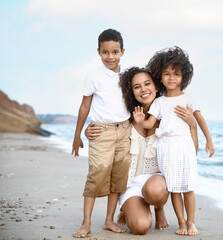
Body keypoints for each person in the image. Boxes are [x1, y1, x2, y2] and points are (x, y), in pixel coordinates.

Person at [84, 67, 198, 235]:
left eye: (147, 84)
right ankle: (129, 210)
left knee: (155, 191)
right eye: (137, 87)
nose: (143, 89)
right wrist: (88, 132)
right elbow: (108, 134)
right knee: (140, 227)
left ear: (156, 86)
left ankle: (159, 208)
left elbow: (191, 151)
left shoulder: (169, 118)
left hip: (157, 181)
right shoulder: (125, 118)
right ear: (132, 92)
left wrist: (193, 124)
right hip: (130, 184)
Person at [133, 46, 215, 236]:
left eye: (176, 74)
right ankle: (181, 223)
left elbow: (199, 120)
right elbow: (150, 123)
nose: (171, 78)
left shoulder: (189, 98)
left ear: (183, 77)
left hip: (185, 145)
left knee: (188, 186)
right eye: (167, 74)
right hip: (167, 147)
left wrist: (209, 141)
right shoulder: (159, 102)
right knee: (174, 187)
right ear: (160, 77)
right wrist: (140, 121)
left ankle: (191, 222)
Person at [71, 29, 131, 238]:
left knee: (118, 177)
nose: (110, 57)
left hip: (125, 130)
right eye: (105, 52)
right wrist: (78, 134)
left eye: (115, 52)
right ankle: (86, 223)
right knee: (97, 174)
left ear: (122, 51)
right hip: (100, 131)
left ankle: (108, 220)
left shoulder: (127, 76)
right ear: (99, 52)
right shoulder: (93, 75)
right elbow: (84, 105)